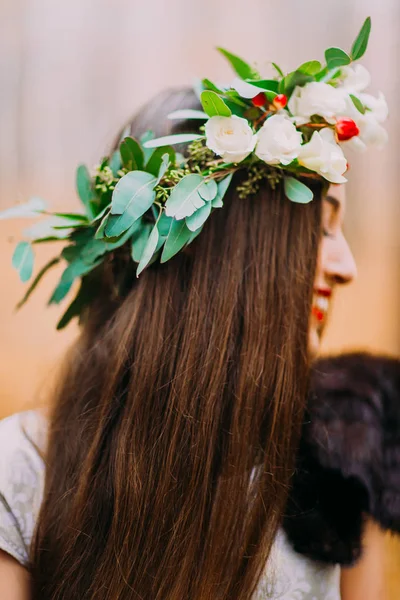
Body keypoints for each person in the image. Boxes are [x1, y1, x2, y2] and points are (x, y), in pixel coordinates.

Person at [0, 21, 388, 599]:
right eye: (322, 226)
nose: (347, 266)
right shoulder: (25, 470)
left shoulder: (338, 473)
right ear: (232, 255)